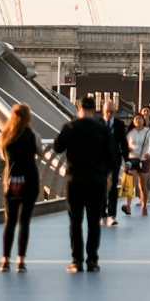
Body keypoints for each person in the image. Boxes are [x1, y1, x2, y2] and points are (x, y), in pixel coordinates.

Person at [52, 95, 116, 273]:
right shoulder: (103, 129)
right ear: (94, 110)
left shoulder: (70, 127)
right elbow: (112, 156)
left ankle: (77, 261)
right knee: (94, 221)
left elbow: (58, 147)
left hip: (75, 180)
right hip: (97, 180)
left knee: (76, 221)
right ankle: (93, 261)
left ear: (78, 109)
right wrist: (108, 177)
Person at [0, 103, 39, 272]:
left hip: (12, 182)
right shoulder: (33, 135)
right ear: (28, 118)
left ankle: (5, 260)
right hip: (30, 182)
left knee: (10, 222)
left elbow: (3, 156)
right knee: (25, 222)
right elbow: (41, 153)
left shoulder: (5, 136)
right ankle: (21, 261)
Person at [101, 100, 130, 227]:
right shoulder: (97, 123)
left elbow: (123, 143)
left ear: (115, 112)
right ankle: (102, 214)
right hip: (99, 160)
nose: (109, 114)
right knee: (101, 187)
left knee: (112, 186)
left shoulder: (119, 124)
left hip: (114, 159)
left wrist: (127, 159)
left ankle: (111, 215)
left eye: (112, 112)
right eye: (107, 111)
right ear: (103, 111)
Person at [125, 109, 150, 217]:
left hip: (143, 160)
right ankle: (128, 205)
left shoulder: (148, 132)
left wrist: (148, 153)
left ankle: (144, 206)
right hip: (132, 159)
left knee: (142, 185)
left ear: (143, 121)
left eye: (140, 118)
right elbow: (125, 144)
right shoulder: (130, 133)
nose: (138, 120)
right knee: (130, 183)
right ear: (133, 121)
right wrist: (127, 149)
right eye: (136, 118)